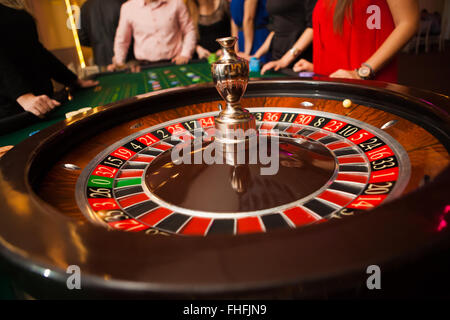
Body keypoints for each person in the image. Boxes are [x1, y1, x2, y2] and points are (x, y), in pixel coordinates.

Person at [0, 0, 97, 123]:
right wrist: (24, 97)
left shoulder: (13, 4)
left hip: (42, 100)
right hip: (15, 109)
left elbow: (37, 51)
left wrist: (73, 80)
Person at [293, 0, 420, 83]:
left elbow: (408, 22)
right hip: (330, 82)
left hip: (366, 86)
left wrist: (362, 72)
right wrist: (319, 67)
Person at [110, 0, 196, 70]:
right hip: (144, 66)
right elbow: (122, 40)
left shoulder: (177, 3)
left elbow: (189, 30)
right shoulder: (128, 8)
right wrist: (119, 62)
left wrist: (185, 54)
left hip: (175, 63)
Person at [254, 0, 317, 74]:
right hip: (277, 58)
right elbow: (275, 29)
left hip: (298, 61)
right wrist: (256, 56)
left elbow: (312, 27)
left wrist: (284, 60)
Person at [79, 0, 133, 67]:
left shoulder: (84, 7)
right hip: (126, 59)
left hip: (100, 61)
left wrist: (98, 45)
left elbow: (82, 38)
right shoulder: (122, 3)